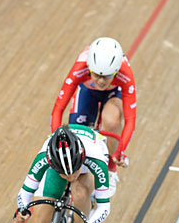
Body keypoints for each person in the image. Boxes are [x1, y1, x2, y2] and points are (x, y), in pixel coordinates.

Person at [50, 37, 136, 194]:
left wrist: (120, 151)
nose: (102, 81)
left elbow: (130, 120)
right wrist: (55, 138)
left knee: (111, 120)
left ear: (116, 70)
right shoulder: (80, 68)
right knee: (75, 133)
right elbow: (58, 108)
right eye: (97, 75)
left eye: (108, 76)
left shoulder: (125, 73)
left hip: (113, 94)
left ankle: (110, 169)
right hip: (87, 91)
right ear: (89, 67)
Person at [15, 124, 111, 223]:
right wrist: (23, 208)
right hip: (65, 161)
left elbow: (104, 206)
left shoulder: (96, 159)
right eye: (64, 174)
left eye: (74, 172)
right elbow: (25, 192)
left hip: (88, 163)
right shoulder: (43, 157)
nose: (71, 177)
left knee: (80, 193)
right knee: (42, 220)